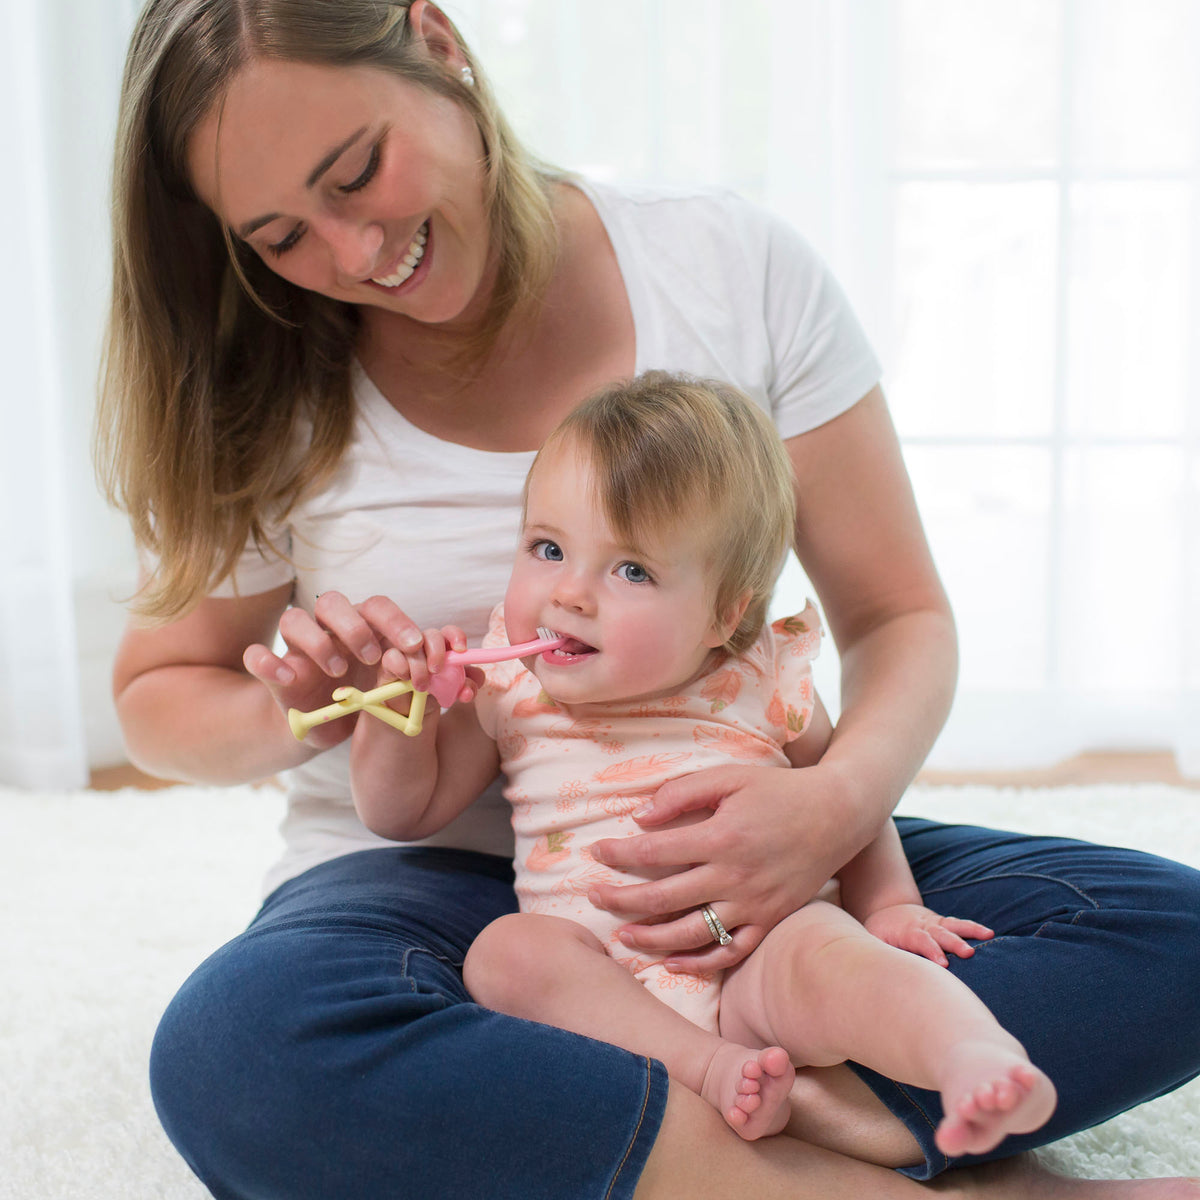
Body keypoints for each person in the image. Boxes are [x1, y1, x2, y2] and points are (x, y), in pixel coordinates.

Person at [95, 0, 1200, 1196]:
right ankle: (849, 1162)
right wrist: (315, 705)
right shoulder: (270, 378)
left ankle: (665, 1133)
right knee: (241, 1054)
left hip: (751, 862)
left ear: (438, 44)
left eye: (357, 172)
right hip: (425, 906)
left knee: (1167, 936)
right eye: (279, 236)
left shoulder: (728, 267)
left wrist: (832, 808)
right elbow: (159, 697)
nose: (355, 254)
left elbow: (894, 618)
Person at [343, 372, 1058, 1156]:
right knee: (506, 955)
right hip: (599, 978)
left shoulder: (759, 673)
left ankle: (970, 1056)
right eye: (548, 548)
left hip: (762, 949)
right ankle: (713, 1069)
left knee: (839, 960)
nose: (571, 594)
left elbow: (847, 800)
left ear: (726, 613)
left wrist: (888, 904)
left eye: (632, 571)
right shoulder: (509, 683)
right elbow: (402, 811)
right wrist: (398, 713)